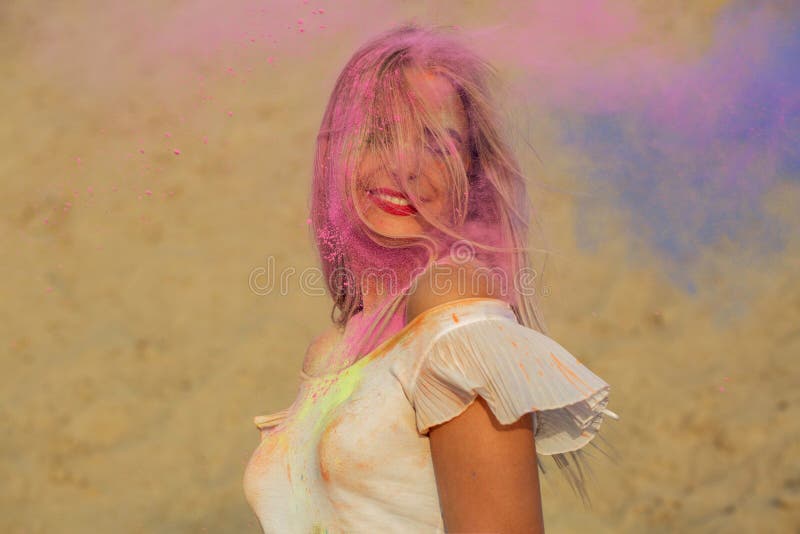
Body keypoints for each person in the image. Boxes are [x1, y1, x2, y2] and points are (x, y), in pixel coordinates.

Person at [243, 22, 619, 533]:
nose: (404, 167)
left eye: (437, 145)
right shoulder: (331, 352)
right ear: (335, 153)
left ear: (472, 172)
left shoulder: (451, 301)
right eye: (378, 135)